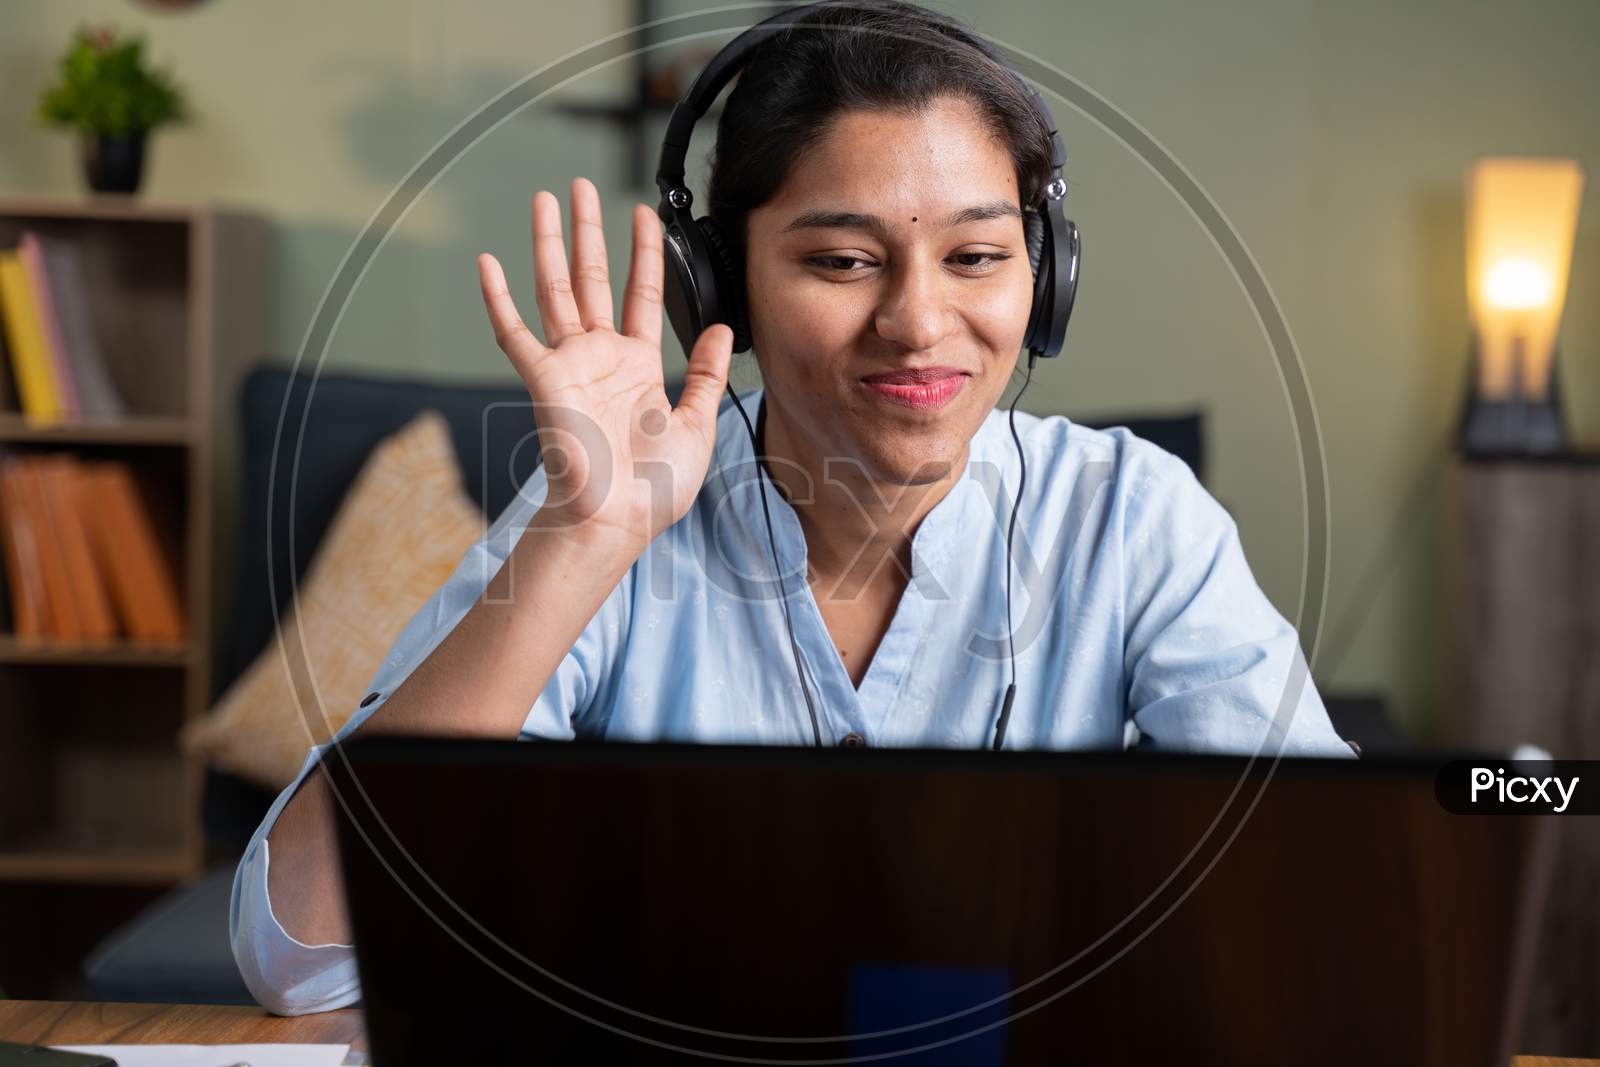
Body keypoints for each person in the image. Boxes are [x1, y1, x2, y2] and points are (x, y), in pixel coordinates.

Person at [230, 0, 1355, 1017]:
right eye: (842, 260)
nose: (919, 322)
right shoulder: (597, 514)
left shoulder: (1134, 519)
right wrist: (582, 544)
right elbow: (298, 952)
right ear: (720, 286)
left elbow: (1330, 902)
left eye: (976, 254)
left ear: (1044, 276)